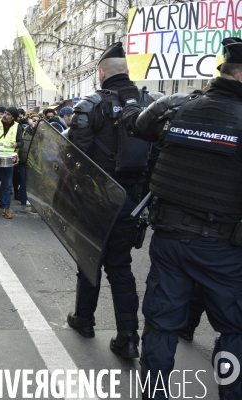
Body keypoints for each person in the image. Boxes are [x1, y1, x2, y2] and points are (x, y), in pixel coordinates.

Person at [120, 37, 242, 399]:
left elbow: (138, 126)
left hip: (170, 240)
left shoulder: (180, 107)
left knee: (160, 326)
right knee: (235, 331)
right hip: (222, 247)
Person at [66, 42, 151, 360]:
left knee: (89, 262)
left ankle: (84, 320)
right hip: (131, 200)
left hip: (96, 198)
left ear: (102, 73)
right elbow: (156, 157)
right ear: (126, 72)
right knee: (121, 267)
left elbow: (75, 158)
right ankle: (128, 336)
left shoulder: (91, 105)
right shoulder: (148, 104)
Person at [14, 112, 39, 213]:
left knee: (36, 185)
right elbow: (17, 125)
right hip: (24, 162)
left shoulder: (40, 133)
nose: (35, 122)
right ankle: (23, 204)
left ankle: (35, 205)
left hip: (37, 164)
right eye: (34, 120)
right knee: (23, 183)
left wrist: (35, 128)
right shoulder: (24, 131)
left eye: (38, 121)